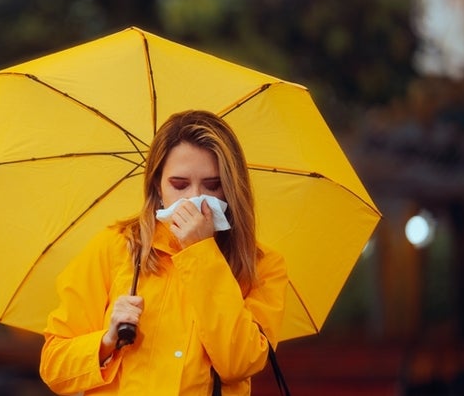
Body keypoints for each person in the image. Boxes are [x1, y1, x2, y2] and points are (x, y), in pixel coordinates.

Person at [39, 110, 288, 395]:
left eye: (213, 185)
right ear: (157, 184)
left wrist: (201, 252)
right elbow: (53, 365)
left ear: (231, 189)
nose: (194, 200)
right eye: (179, 185)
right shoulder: (116, 247)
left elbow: (240, 362)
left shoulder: (262, 265)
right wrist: (107, 340)